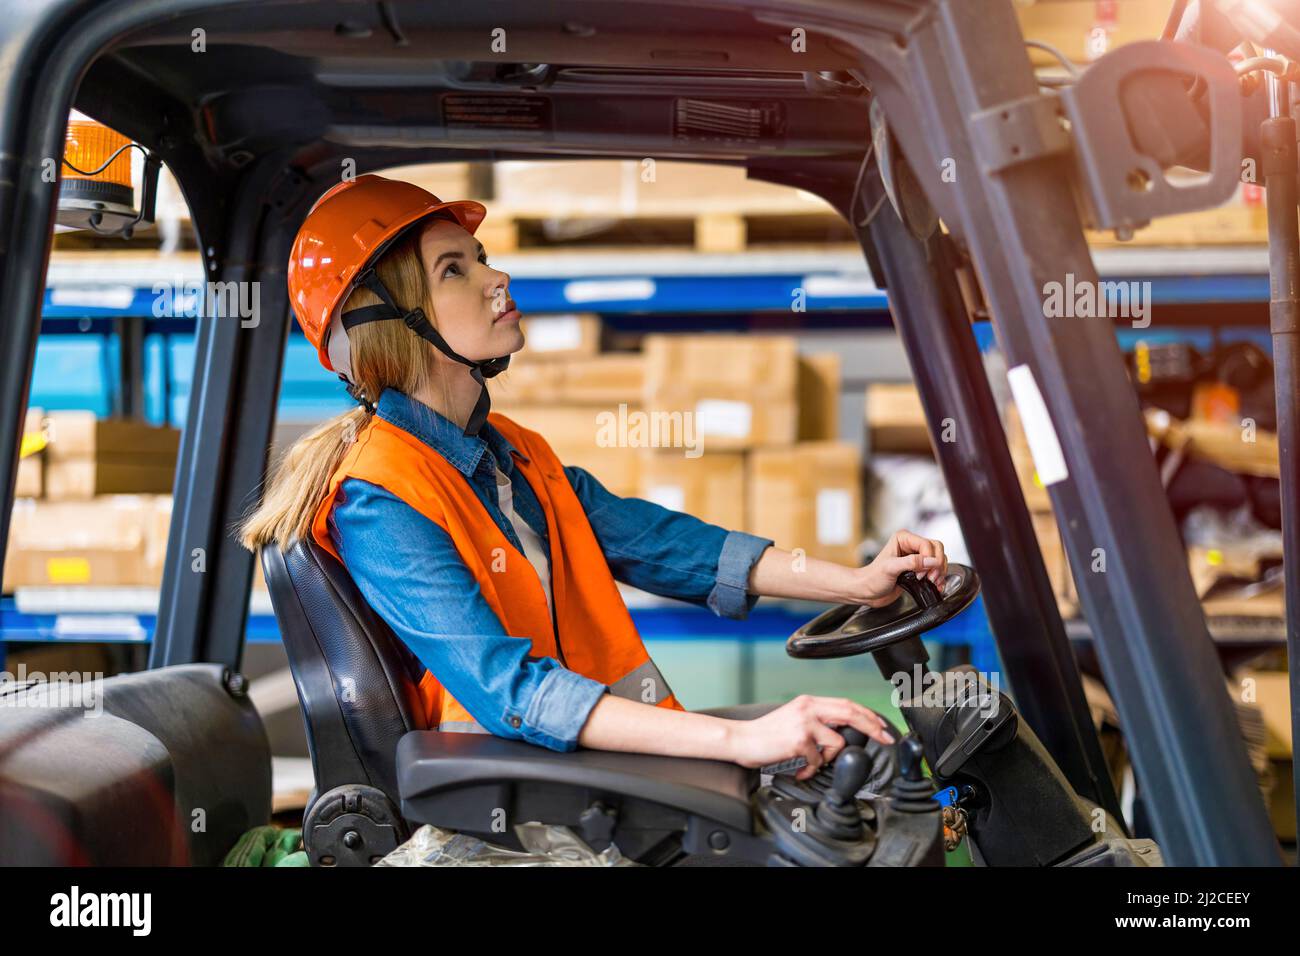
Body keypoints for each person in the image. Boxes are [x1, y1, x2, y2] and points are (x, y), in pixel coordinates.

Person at [239, 174, 949, 782]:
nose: (496, 278)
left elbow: (671, 547)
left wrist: (855, 583)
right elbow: (508, 691)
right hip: (503, 799)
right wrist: (743, 740)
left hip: (575, 767)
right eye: (454, 270)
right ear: (387, 323)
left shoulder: (512, 456)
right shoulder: (381, 499)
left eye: (480, 258)